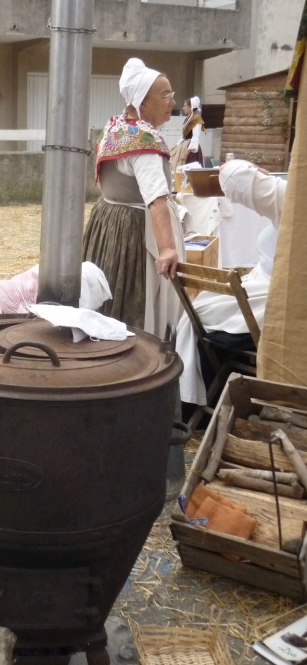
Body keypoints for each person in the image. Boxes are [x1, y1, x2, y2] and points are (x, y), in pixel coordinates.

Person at [82, 57, 185, 338]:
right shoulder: (143, 142)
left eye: (171, 94)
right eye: (165, 95)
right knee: (135, 304)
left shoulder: (115, 129)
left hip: (108, 225)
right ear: (142, 102)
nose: (172, 101)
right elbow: (156, 199)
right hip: (134, 236)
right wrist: (167, 249)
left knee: (111, 295)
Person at [176, 159, 287, 408]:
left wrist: (252, 168)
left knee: (198, 312)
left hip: (271, 305)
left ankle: (193, 401)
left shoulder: (292, 198)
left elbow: (235, 175)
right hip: (269, 294)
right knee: (204, 303)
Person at [169, 96, 205, 174]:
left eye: (185, 106)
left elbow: (195, 138)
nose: (183, 108)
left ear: (191, 107)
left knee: (189, 169)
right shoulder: (189, 118)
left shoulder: (196, 120)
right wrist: (175, 145)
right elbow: (184, 135)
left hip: (191, 149)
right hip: (184, 145)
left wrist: (186, 152)